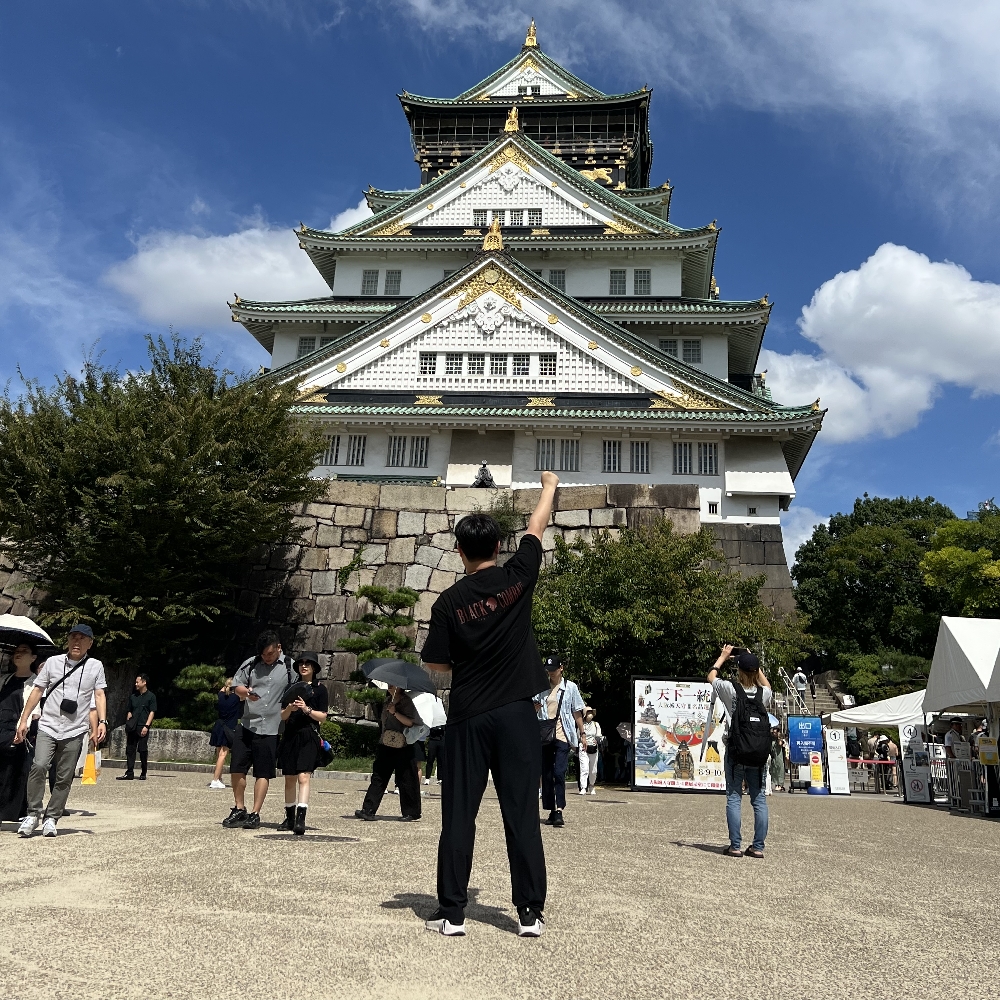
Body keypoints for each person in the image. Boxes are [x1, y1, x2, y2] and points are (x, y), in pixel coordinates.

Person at [420, 471, 558, 938]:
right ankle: (528, 914)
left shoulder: (447, 603)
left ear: (459, 550)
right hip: (517, 713)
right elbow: (536, 529)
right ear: (498, 547)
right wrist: (549, 487)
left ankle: (453, 914)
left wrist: (468, 669)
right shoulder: (519, 577)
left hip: (468, 715)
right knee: (521, 812)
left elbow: (437, 668)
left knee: (460, 814)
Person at [14, 625, 108, 838]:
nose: (77, 642)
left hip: (75, 729)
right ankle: (33, 813)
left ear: (90, 643)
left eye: (82, 639)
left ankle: (51, 818)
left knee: (64, 777)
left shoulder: (95, 666)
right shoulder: (53, 663)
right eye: (73, 637)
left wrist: (102, 722)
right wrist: (24, 720)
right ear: (67, 640)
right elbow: (38, 690)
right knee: (38, 766)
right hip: (49, 725)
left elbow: (100, 694)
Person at [223, 630, 295, 830]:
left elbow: (299, 689)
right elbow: (236, 684)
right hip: (247, 723)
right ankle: (239, 808)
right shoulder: (251, 663)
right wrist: (245, 692)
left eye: (270, 654)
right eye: (263, 655)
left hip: (271, 727)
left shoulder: (290, 667)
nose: (267, 658)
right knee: (237, 767)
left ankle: (255, 813)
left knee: (263, 772)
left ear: (278, 648)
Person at [707, 644, 772, 858]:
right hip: (758, 754)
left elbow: (711, 676)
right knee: (759, 799)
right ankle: (758, 847)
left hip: (737, 751)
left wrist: (724, 656)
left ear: (739, 671)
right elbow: (767, 684)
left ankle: (735, 846)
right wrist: (753, 661)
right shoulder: (764, 694)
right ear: (756, 671)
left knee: (734, 797)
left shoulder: (730, 689)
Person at [276, 652, 329, 835]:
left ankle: (301, 818)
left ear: (314, 667)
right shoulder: (291, 687)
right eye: (301, 663)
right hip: (291, 735)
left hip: (309, 735)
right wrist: (290, 708)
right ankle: (289, 817)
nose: (304, 666)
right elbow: (282, 716)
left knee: (303, 777)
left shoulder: (320, 689)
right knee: (289, 778)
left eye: (308, 663)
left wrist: (306, 709)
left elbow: (323, 717)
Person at [355, 684, 422, 821]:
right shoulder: (387, 700)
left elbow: (410, 722)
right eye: (389, 683)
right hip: (386, 743)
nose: (390, 685)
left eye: (394, 683)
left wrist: (395, 712)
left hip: (403, 744)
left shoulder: (406, 701)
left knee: (406, 778)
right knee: (379, 776)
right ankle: (368, 809)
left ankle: (412, 812)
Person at [535, 655, 586, 826]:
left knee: (559, 772)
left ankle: (560, 810)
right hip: (545, 735)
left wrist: (583, 734)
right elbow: (534, 709)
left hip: (563, 734)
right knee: (547, 773)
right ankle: (551, 809)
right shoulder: (542, 687)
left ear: (561, 668)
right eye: (548, 671)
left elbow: (577, 712)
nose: (551, 673)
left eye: (553, 670)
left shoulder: (570, 687)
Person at [0, 643, 39, 822]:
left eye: (24, 651)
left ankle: (13, 813)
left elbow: (35, 710)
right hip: (1, 726)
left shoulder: (36, 683)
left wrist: (24, 726)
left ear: (33, 658)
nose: (19, 654)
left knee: (15, 772)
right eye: (17, 651)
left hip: (19, 731)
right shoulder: (5, 679)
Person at [117, 673, 157, 781]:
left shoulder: (151, 696)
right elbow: (129, 710)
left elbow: (152, 712)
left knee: (142, 749)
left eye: (137, 682)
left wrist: (146, 726)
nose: (136, 684)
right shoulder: (133, 697)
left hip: (143, 726)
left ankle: (143, 771)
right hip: (133, 726)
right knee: (130, 749)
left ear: (144, 682)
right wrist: (128, 720)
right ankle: (129, 772)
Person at [208, 676, 242, 789]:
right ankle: (215, 779)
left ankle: (219, 777)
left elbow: (222, 690)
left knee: (219, 754)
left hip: (219, 725)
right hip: (228, 727)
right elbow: (246, 695)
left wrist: (227, 685)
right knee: (223, 755)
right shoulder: (237, 698)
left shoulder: (221, 695)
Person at [578, 707, 602, 796]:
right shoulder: (582, 725)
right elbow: (578, 736)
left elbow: (599, 735)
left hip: (594, 748)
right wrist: (583, 741)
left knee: (593, 770)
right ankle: (583, 787)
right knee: (584, 768)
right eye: (588, 713)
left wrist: (597, 739)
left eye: (591, 712)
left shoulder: (596, 724)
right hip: (584, 748)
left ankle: (592, 785)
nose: (590, 714)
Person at [768, 726, 785, 792]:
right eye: (773, 732)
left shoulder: (780, 739)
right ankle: (775, 784)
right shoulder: (771, 739)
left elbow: (780, 744)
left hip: (779, 756)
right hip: (773, 756)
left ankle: (780, 784)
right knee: (773, 770)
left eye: (775, 732)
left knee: (780, 769)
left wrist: (778, 737)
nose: (774, 734)